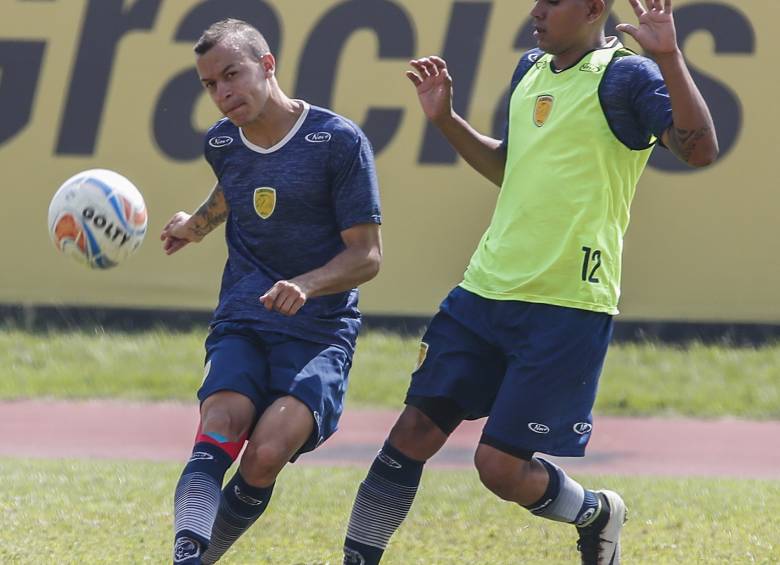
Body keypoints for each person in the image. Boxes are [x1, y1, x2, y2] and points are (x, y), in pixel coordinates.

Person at [342, 0, 717, 563]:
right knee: (412, 433)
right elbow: (508, 167)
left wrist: (669, 58)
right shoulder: (529, 69)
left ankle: (595, 512)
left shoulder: (629, 76)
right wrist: (445, 120)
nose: (535, 11)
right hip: (483, 290)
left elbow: (700, 149)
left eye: (550, 2)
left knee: (498, 467)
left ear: (593, 8)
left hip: (566, 304)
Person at [159, 18, 382, 565]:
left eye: (232, 74)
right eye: (210, 84)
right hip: (244, 315)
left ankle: (208, 551)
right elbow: (234, 189)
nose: (222, 92)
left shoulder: (338, 141)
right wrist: (196, 225)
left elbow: (367, 255)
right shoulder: (221, 141)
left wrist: (306, 286)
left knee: (265, 454)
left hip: (318, 332)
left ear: (267, 65)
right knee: (222, 423)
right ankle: (188, 558)